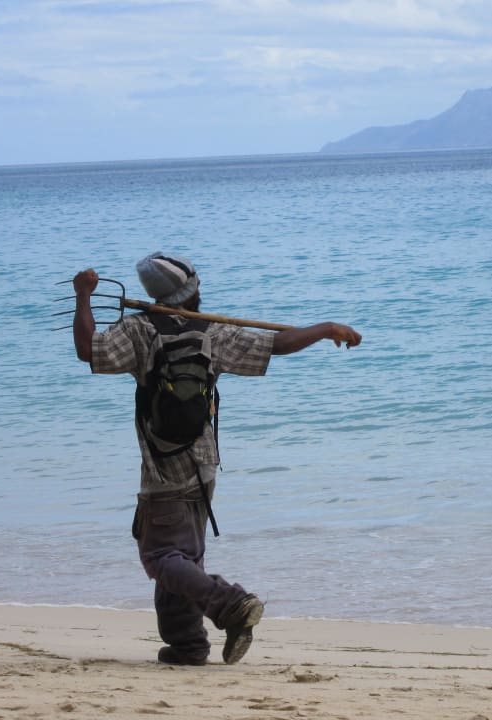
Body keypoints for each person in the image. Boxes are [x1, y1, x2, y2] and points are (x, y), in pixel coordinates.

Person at [71, 252, 361, 666]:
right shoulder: (215, 333)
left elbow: (88, 350)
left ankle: (231, 603)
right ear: (193, 291)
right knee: (181, 558)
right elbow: (278, 344)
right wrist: (327, 328)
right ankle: (188, 645)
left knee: (160, 556)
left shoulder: (137, 330)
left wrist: (84, 296)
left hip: (161, 464)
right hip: (203, 465)